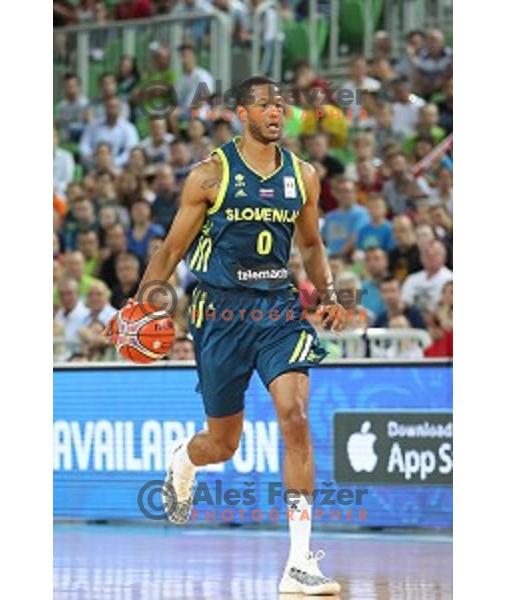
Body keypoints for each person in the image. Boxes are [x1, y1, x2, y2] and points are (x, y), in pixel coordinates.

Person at [121, 76, 343, 595]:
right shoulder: (208, 176)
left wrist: (328, 294)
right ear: (241, 113)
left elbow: (310, 245)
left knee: (296, 417)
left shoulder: (303, 176)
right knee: (223, 443)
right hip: (219, 315)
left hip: (278, 314)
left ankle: (299, 561)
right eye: (265, 105)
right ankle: (185, 458)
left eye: (281, 106)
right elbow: (171, 251)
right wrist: (143, 305)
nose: (276, 113)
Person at [79, 96, 139, 169]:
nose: (112, 110)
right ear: (105, 108)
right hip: (94, 165)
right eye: (110, 107)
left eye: (115, 107)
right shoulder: (92, 126)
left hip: (118, 168)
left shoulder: (129, 128)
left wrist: (114, 162)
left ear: (120, 109)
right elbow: (84, 146)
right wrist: (95, 159)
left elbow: (130, 151)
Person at [321, 176, 370, 257]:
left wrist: (338, 256)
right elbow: (323, 239)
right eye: (341, 191)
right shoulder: (330, 216)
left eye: (349, 191)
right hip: (329, 257)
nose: (345, 195)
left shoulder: (362, 213)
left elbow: (354, 239)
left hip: (349, 258)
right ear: (335, 193)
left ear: (355, 193)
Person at [401, 239, 453, 313]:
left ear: (444, 257)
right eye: (427, 254)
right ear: (421, 258)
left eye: (435, 254)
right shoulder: (412, 279)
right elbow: (404, 301)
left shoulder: (450, 279)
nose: (431, 257)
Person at [55, 73, 90, 144]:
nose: (71, 89)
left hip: (80, 138)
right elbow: (56, 124)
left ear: (79, 87)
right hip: (63, 138)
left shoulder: (85, 104)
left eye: (73, 86)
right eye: (67, 86)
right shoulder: (61, 106)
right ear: (63, 88)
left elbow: (90, 124)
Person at [54, 278, 90, 343]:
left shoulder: (88, 315)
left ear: (78, 294)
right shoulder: (59, 314)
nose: (65, 298)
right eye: (62, 294)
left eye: (69, 293)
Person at [388, 215, 422, 282]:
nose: (398, 235)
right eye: (395, 231)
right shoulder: (392, 255)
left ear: (412, 230)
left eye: (402, 230)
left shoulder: (421, 254)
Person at [361, 246, 389, 317]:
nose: (372, 263)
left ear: (386, 261)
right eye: (368, 260)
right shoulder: (361, 288)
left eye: (376, 259)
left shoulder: (396, 285)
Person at [53, 128, 75, 197]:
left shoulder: (66, 157)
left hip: (60, 193)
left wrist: (56, 187)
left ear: (57, 139)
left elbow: (68, 181)